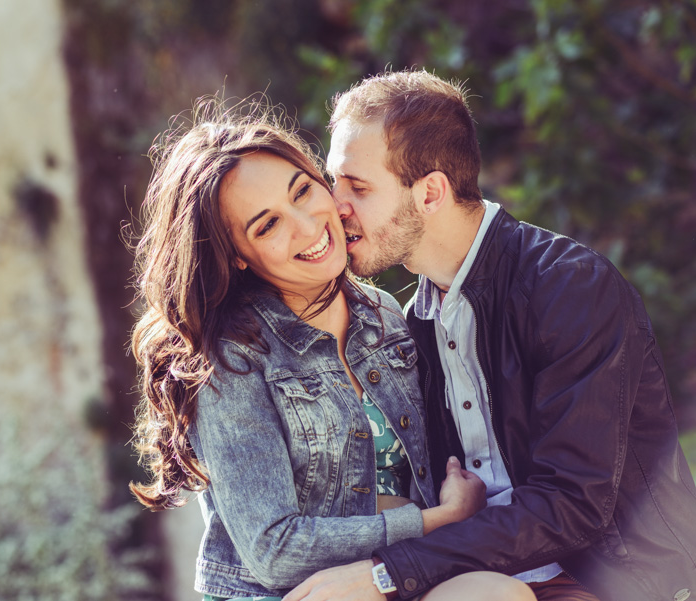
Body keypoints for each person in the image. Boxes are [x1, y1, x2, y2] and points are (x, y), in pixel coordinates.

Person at [283, 69, 696, 601]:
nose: (334, 208)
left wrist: (386, 572)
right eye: (334, 182)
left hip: (612, 581)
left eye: (357, 188)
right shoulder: (414, 322)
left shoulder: (568, 287)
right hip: (480, 580)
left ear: (430, 192)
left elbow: (574, 505)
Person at [127, 97, 536, 601]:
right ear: (236, 256)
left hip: (393, 579)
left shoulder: (384, 312)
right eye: (267, 225)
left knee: (498, 595)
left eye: (302, 191)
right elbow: (274, 551)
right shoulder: (231, 358)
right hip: (287, 594)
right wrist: (438, 520)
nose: (307, 224)